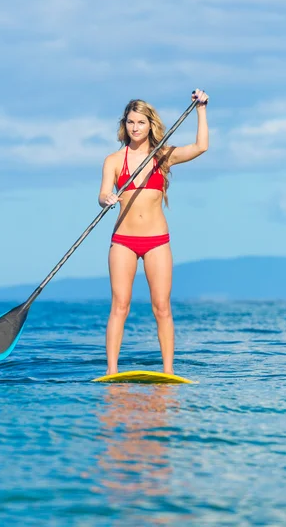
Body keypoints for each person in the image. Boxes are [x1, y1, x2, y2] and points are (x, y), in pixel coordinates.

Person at [98, 89, 209, 375]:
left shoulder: (163, 157)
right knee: (119, 306)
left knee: (161, 307)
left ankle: (168, 372)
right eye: (130, 122)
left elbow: (200, 147)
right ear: (125, 125)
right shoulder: (113, 160)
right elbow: (102, 194)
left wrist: (201, 109)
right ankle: (111, 372)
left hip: (157, 241)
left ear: (150, 125)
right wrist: (106, 198)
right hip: (123, 241)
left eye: (141, 123)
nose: (135, 128)